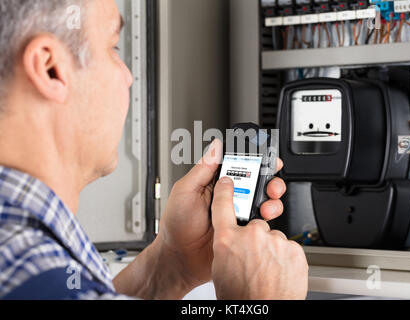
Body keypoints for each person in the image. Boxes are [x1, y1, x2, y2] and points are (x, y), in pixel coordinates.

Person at [0, 0, 308, 300]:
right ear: (50, 68)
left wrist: (173, 263)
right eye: (113, 48)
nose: (128, 76)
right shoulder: (36, 274)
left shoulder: (22, 258)